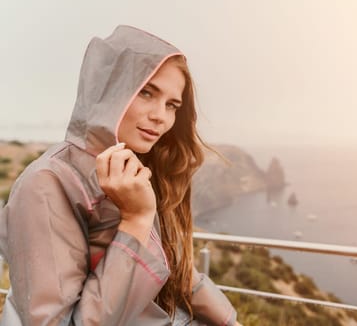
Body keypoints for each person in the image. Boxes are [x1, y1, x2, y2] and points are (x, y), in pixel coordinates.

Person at [0, 25, 241, 326]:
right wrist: (136, 221)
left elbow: (179, 272)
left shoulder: (142, 171)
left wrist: (230, 321)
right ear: (107, 90)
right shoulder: (47, 184)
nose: (160, 116)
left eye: (172, 105)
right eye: (146, 92)